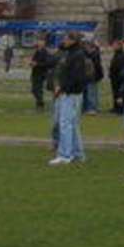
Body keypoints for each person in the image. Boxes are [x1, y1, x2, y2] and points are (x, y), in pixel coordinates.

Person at [48, 33, 97, 165]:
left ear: (73, 40)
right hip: (70, 92)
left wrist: (62, 87)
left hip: (71, 93)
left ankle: (65, 154)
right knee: (73, 124)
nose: (64, 41)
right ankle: (78, 153)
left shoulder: (77, 55)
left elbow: (75, 77)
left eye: (66, 38)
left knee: (65, 124)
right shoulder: (71, 53)